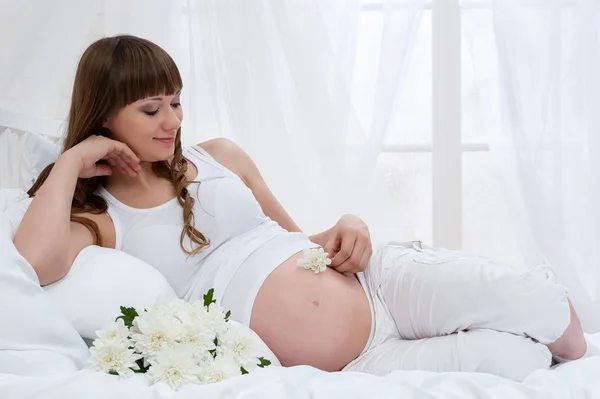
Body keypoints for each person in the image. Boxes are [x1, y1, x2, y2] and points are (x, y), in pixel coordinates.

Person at [13, 35, 589, 380]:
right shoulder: (103, 221)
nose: (173, 121)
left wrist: (349, 225)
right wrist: (70, 161)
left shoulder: (220, 157)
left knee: (548, 311)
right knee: (518, 364)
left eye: (177, 103)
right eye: (151, 109)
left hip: (377, 283)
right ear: (105, 115)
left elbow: (296, 238)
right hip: (356, 367)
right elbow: (32, 265)